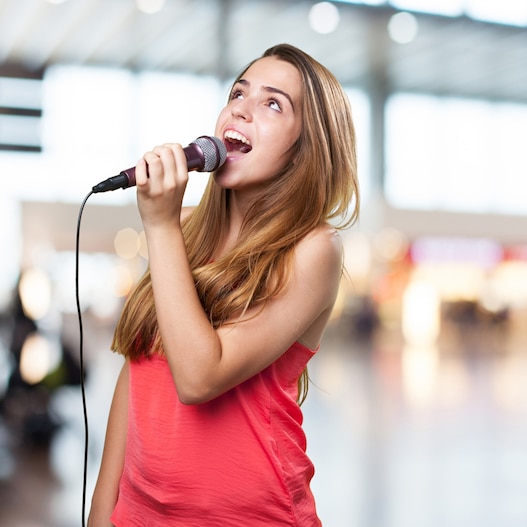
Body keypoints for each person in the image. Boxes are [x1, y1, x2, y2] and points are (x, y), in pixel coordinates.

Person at [88, 43, 359, 526]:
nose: (241, 108)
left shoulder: (314, 249)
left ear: (306, 147)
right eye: (239, 92)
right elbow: (138, 370)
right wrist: (102, 514)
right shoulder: (183, 231)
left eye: (273, 103)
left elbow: (199, 377)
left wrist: (161, 227)